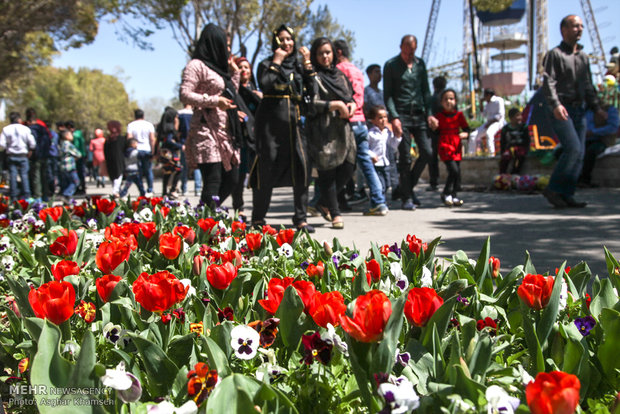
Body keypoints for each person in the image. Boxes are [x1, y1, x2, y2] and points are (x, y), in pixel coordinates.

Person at [249, 25, 314, 231]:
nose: (287, 43)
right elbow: (266, 84)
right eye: (282, 39)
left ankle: (301, 218)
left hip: (295, 125)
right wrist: (276, 62)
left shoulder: (298, 66)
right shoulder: (266, 64)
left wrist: (308, 64)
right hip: (269, 124)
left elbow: (311, 92)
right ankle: (258, 218)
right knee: (266, 168)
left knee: (302, 168)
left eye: (290, 39)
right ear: (276, 42)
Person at [541, 14, 607, 208]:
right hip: (561, 108)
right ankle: (553, 189)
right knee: (573, 148)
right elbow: (548, 82)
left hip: (580, 109)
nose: (579, 29)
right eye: (575, 26)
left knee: (580, 153)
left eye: (581, 26)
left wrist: (596, 108)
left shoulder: (584, 57)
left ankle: (566, 194)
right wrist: (555, 105)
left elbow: (588, 85)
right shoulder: (555, 55)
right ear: (564, 30)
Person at [180, 23, 242, 208]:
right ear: (214, 43)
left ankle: (203, 214)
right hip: (206, 131)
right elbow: (185, 94)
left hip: (225, 133)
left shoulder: (219, 69)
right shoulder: (196, 65)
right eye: (226, 44)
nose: (228, 49)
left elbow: (231, 95)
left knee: (232, 179)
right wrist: (214, 101)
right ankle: (205, 227)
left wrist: (235, 73)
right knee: (213, 180)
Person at [306, 37, 356, 229]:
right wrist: (334, 105)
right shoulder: (313, 76)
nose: (325, 56)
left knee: (349, 167)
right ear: (315, 55)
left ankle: (323, 202)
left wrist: (351, 104)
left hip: (343, 129)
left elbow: (349, 96)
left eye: (328, 52)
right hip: (323, 130)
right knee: (327, 173)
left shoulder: (339, 75)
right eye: (320, 53)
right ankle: (335, 214)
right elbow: (311, 103)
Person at [334, 39, 388, 216]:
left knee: (337, 164)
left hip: (346, 121)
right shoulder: (357, 71)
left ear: (339, 52)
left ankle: (326, 201)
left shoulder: (339, 70)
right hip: (361, 122)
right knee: (366, 163)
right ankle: (379, 202)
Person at [383, 35, 437, 210]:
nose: (409, 55)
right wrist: (394, 117)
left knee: (428, 152)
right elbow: (388, 95)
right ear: (401, 48)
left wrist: (430, 114)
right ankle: (407, 197)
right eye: (406, 52)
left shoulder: (420, 64)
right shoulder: (391, 65)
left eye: (412, 51)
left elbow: (426, 91)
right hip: (402, 115)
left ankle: (405, 188)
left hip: (419, 114)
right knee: (405, 157)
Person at [233, 56, 261, 220]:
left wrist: (261, 98)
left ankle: (258, 211)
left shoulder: (255, 90)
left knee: (258, 175)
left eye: (246, 67)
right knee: (240, 176)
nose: (244, 70)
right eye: (240, 67)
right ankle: (239, 208)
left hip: (257, 138)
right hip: (241, 139)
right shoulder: (233, 90)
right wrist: (234, 113)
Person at [432, 88, 470, 207]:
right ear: (441, 102)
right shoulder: (438, 116)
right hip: (445, 146)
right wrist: (433, 128)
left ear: (456, 101)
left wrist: (465, 134)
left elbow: (466, 129)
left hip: (456, 145)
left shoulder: (459, 115)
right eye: (446, 99)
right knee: (453, 170)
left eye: (451, 99)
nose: (449, 101)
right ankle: (446, 193)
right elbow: (435, 132)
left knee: (457, 172)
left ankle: (454, 195)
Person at [580, 103, 619, 186]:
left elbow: (613, 127)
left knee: (591, 151)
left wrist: (593, 132)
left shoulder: (608, 109)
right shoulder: (583, 109)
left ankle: (585, 179)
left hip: (602, 140)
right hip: (584, 139)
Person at [0, 112, 36, 200]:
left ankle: (14, 197)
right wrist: (30, 150)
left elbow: (2, 144)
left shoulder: (6, 129)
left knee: (13, 175)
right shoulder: (25, 129)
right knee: (24, 175)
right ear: (19, 119)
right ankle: (27, 196)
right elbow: (32, 143)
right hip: (23, 155)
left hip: (11, 155)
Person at [367, 105, 402, 195]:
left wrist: (398, 137)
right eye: (380, 118)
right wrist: (371, 155)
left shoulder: (388, 132)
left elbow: (393, 146)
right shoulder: (371, 133)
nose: (383, 120)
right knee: (379, 185)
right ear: (373, 120)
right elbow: (365, 147)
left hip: (386, 163)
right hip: (376, 163)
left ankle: (380, 200)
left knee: (387, 184)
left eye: (385, 117)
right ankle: (377, 202)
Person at [467, 88, 505, 156]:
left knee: (489, 134)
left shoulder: (499, 100)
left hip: (498, 122)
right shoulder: (487, 104)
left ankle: (491, 154)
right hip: (488, 123)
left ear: (489, 95)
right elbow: (483, 115)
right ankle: (471, 154)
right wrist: (481, 103)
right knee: (473, 135)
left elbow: (500, 115)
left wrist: (490, 123)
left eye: (485, 96)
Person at [127, 109, 156, 196]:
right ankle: (150, 189)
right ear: (143, 116)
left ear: (135, 116)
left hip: (136, 150)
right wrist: (153, 151)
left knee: (138, 171)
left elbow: (129, 139)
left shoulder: (131, 125)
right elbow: (152, 139)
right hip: (147, 149)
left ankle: (142, 190)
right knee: (148, 170)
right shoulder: (149, 125)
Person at [156, 106, 182, 197]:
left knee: (167, 172)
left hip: (164, 153)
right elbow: (169, 141)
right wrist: (180, 146)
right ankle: (173, 189)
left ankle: (164, 192)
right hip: (171, 153)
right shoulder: (170, 129)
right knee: (178, 169)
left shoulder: (162, 128)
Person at [25, 108, 51, 201]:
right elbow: (49, 140)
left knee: (36, 178)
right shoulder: (43, 127)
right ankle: (45, 197)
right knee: (44, 176)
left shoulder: (29, 129)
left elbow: (31, 143)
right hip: (45, 155)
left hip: (35, 156)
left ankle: (38, 197)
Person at [428, 75, 447, 191]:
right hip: (446, 131)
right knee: (449, 158)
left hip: (434, 132)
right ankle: (456, 181)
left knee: (433, 158)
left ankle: (434, 182)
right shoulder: (448, 98)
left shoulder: (432, 99)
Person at [177, 104, 201, 196]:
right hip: (196, 142)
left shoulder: (179, 114)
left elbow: (178, 130)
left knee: (184, 166)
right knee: (196, 167)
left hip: (184, 143)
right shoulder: (196, 113)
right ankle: (197, 189)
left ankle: (184, 188)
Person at [499, 108, 530, 174]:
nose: (520, 117)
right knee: (505, 157)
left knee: (520, 156)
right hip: (509, 149)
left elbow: (527, 141)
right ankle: (502, 175)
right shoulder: (505, 129)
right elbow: (503, 142)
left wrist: (526, 149)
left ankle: (515, 174)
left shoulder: (523, 127)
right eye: (517, 116)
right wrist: (503, 152)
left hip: (520, 148)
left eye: (520, 115)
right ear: (511, 118)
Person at [104, 121, 126, 197]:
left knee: (114, 175)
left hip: (110, 160)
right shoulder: (121, 139)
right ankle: (115, 190)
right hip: (119, 160)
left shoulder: (108, 140)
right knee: (118, 175)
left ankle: (117, 189)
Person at [59, 130, 82, 201]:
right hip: (70, 166)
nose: (72, 136)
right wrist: (76, 158)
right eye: (70, 134)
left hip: (63, 167)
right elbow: (78, 154)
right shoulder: (69, 145)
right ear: (66, 136)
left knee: (67, 183)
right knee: (76, 181)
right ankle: (66, 194)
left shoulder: (62, 144)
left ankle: (67, 199)